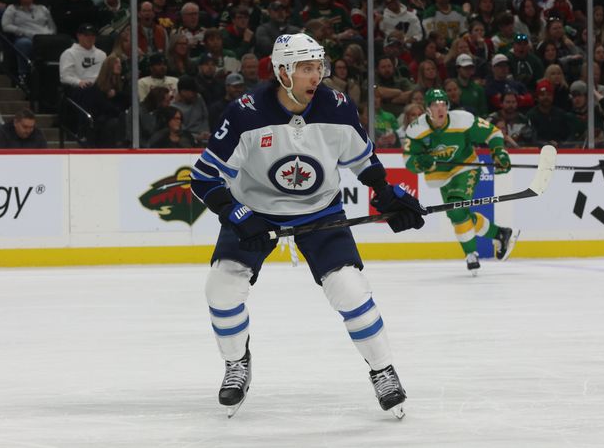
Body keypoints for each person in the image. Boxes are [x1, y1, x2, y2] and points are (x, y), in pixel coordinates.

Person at [189, 33, 425, 418]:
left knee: (349, 289)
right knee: (221, 287)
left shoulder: (338, 106)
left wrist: (385, 193)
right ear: (282, 71)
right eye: (306, 68)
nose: (317, 76)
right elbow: (204, 178)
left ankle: (383, 370)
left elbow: (363, 160)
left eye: (319, 67)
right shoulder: (245, 113)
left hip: (319, 210)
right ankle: (236, 364)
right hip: (254, 209)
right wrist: (235, 214)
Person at [403, 88, 517, 275]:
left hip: (466, 168)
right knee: (458, 214)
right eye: (434, 105)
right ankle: (500, 234)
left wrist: (499, 152)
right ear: (427, 109)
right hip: (440, 177)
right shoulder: (416, 129)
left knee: (456, 207)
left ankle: (471, 254)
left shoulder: (463, 120)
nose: (440, 109)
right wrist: (419, 162)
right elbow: (409, 162)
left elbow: (493, 133)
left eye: (443, 105)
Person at [59, 23, 107, 97]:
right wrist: (79, 82)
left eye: (92, 35)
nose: (90, 38)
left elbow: (106, 75)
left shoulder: (102, 54)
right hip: (79, 89)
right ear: (78, 36)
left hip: (99, 88)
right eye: (86, 35)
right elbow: (64, 77)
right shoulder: (69, 53)